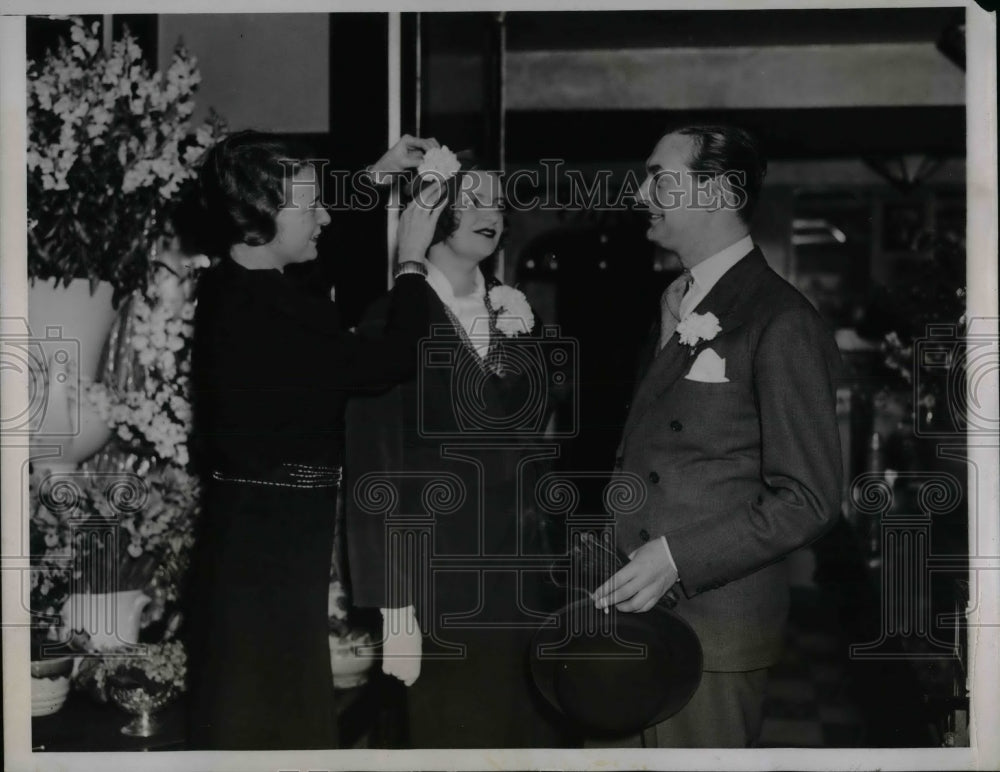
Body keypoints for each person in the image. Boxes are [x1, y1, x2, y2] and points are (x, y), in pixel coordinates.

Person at [183, 129, 445, 749]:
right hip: (265, 560)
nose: (325, 214)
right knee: (269, 723)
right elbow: (392, 358)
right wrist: (412, 258)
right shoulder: (274, 311)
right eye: (309, 205)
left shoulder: (241, 284)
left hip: (261, 545)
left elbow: (320, 240)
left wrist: (378, 172)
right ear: (262, 218)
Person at [592, 125, 842, 747]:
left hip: (710, 633)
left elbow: (809, 500)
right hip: (629, 615)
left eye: (660, 177)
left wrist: (678, 558)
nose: (641, 192)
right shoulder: (673, 300)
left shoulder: (780, 319)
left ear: (722, 192)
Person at [344, 155, 571, 748]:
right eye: (473, 201)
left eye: (497, 203)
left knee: (524, 737)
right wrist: (395, 607)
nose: (491, 214)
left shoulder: (520, 313)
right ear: (431, 211)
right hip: (436, 580)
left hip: (522, 577)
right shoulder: (389, 321)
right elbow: (374, 470)